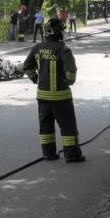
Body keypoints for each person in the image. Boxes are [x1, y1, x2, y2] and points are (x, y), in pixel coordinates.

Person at [22, 17, 85, 162]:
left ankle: (48, 154)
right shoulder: (63, 49)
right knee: (68, 127)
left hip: (42, 96)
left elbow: (27, 66)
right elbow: (71, 71)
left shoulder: (37, 48)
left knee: (45, 127)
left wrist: (36, 79)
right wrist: (68, 82)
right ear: (59, 32)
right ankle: (72, 155)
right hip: (61, 97)